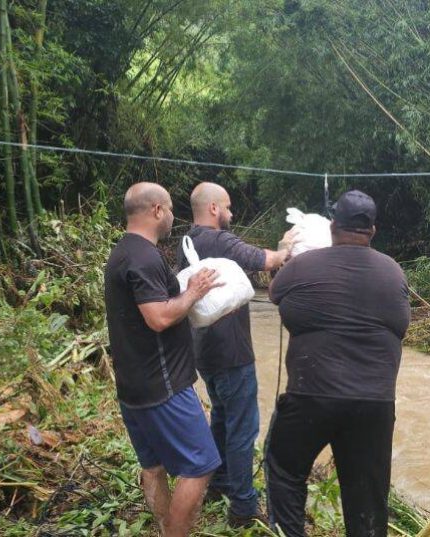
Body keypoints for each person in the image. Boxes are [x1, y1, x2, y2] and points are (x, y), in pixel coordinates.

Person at [264, 190, 411, 537]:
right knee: (367, 496)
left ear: (333, 227)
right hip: (374, 404)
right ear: (372, 230)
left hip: (311, 397)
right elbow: (401, 326)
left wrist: (285, 257)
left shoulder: (303, 265)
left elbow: (274, 294)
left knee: (284, 470)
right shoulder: (393, 271)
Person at [104, 182, 223, 537]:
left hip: (132, 385)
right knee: (201, 465)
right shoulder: (144, 257)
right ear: (157, 210)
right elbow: (158, 317)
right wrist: (193, 292)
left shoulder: (121, 252)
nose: (172, 216)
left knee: (153, 465)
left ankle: (162, 528)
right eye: (170, 209)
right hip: (163, 387)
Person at [176, 182, 295, 527]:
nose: (231, 213)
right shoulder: (218, 240)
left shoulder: (188, 242)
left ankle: (220, 482)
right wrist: (285, 249)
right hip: (231, 352)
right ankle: (243, 506)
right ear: (213, 208)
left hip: (205, 351)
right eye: (227, 207)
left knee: (222, 417)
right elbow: (264, 260)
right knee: (243, 428)